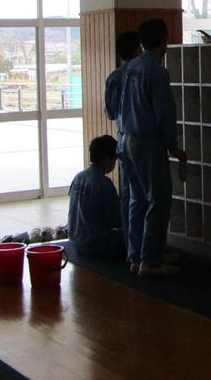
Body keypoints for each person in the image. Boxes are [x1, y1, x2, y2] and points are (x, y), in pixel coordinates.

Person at [118, 18, 187, 277]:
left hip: (126, 139)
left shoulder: (131, 67)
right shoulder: (157, 72)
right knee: (158, 201)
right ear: (163, 41)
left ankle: (136, 256)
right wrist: (174, 148)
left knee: (137, 200)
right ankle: (151, 261)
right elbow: (164, 114)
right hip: (147, 142)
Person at [104, 31, 142, 263]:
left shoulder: (114, 77)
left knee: (128, 197)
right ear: (138, 49)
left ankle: (132, 250)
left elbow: (110, 112)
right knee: (148, 198)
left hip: (123, 139)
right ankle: (147, 251)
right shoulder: (142, 73)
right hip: (144, 139)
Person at [67, 135, 125, 256]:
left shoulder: (78, 177)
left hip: (75, 242)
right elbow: (116, 220)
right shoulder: (104, 183)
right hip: (96, 245)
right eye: (114, 160)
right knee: (135, 233)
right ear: (107, 159)